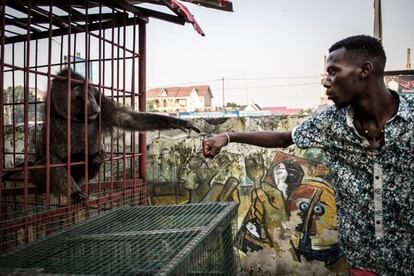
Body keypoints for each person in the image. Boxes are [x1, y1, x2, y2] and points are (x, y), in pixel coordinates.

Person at [202, 35, 413, 276]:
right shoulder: (330, 123)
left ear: (364, 70)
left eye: (333, 72)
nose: (326, 82)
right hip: (365, 264)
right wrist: (227, 137)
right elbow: (283, 138)